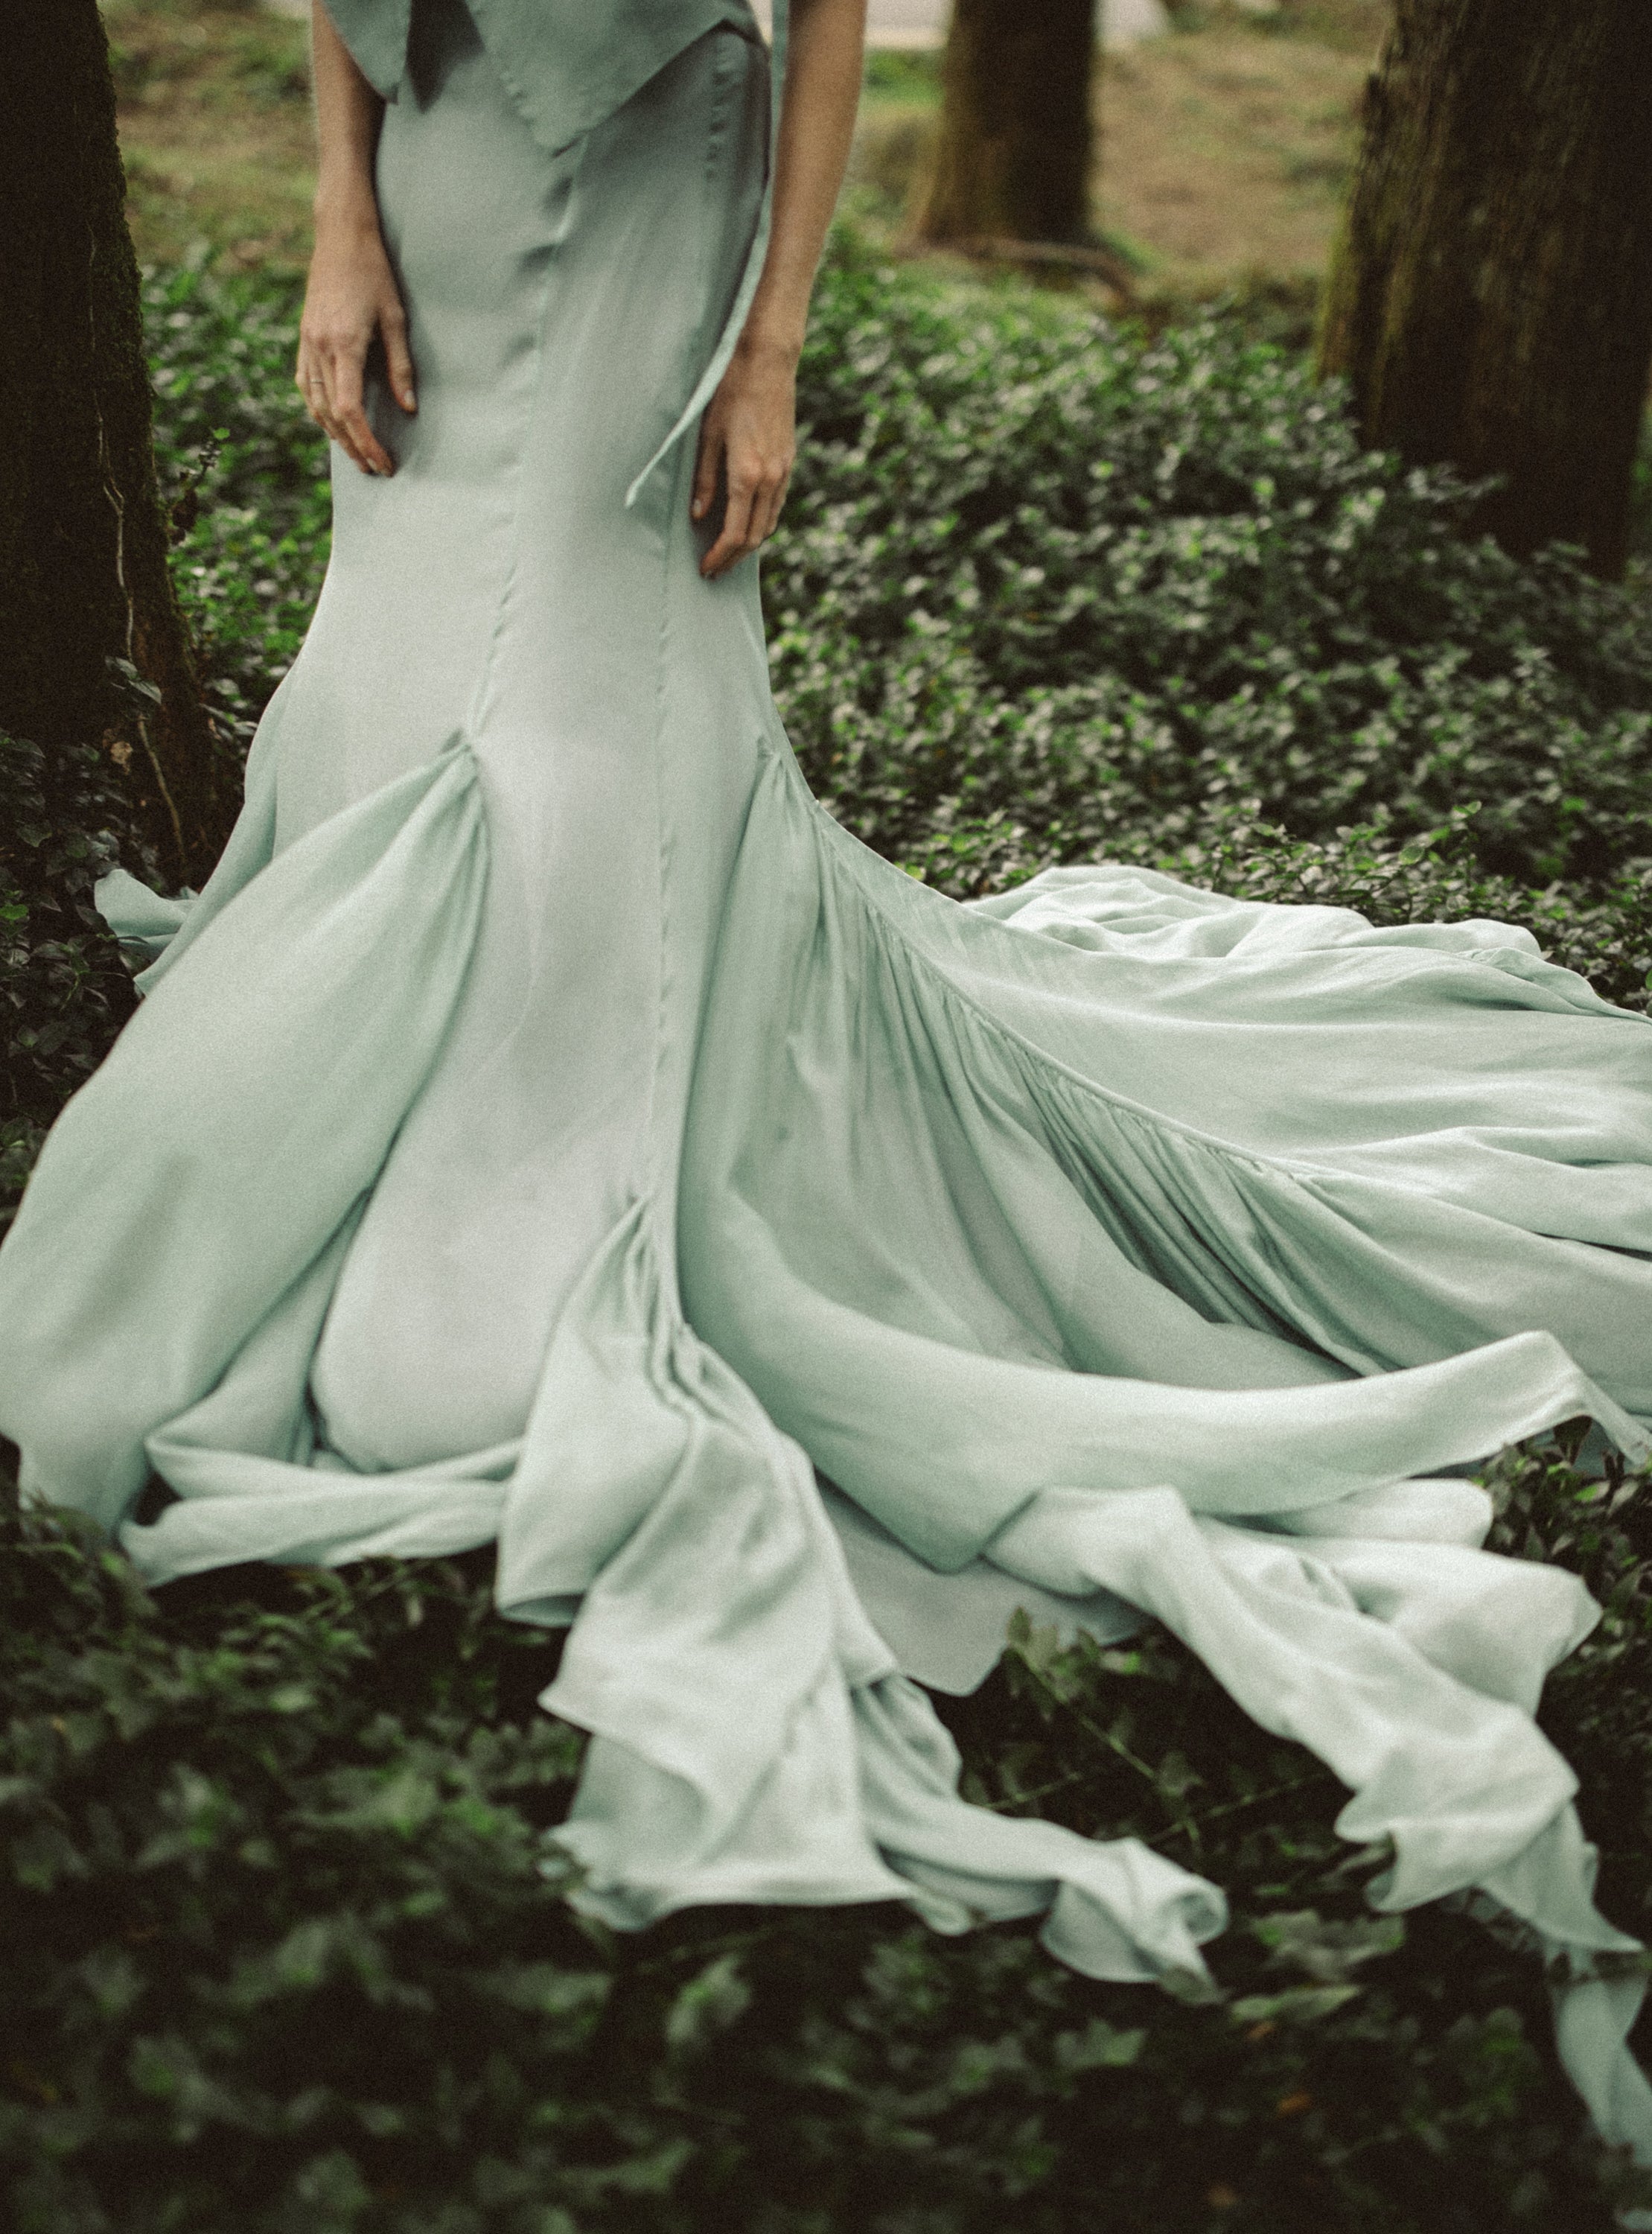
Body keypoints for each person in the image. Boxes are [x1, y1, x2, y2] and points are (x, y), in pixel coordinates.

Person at [3, 0, 1651, 2164]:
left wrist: (767, 343)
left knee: (589, 690)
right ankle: (366, 1070)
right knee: (407, 636)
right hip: (434, 131)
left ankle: (577, 1101)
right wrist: (338, 213)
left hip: (673, 144)